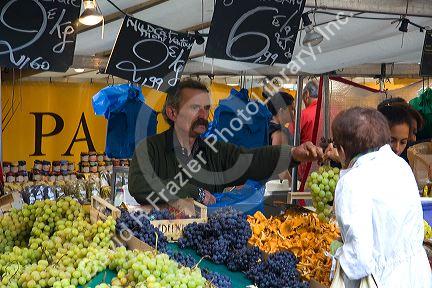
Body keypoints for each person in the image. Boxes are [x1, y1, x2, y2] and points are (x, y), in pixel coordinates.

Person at [129, 79, 324, 206]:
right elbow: (140, 184)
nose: (203, 115)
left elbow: (251, 160)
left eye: (206, 108)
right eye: (195, 108)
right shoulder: (149, 148)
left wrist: (291, 154)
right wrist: (194, 192)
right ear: (172, 113)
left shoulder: (214, 150)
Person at [329, 107, 431, 288]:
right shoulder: (400, 165)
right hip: (418, 277)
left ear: (343, 150)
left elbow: (359, 261)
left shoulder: (352, 181)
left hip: (384, 281)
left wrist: (339, 254)